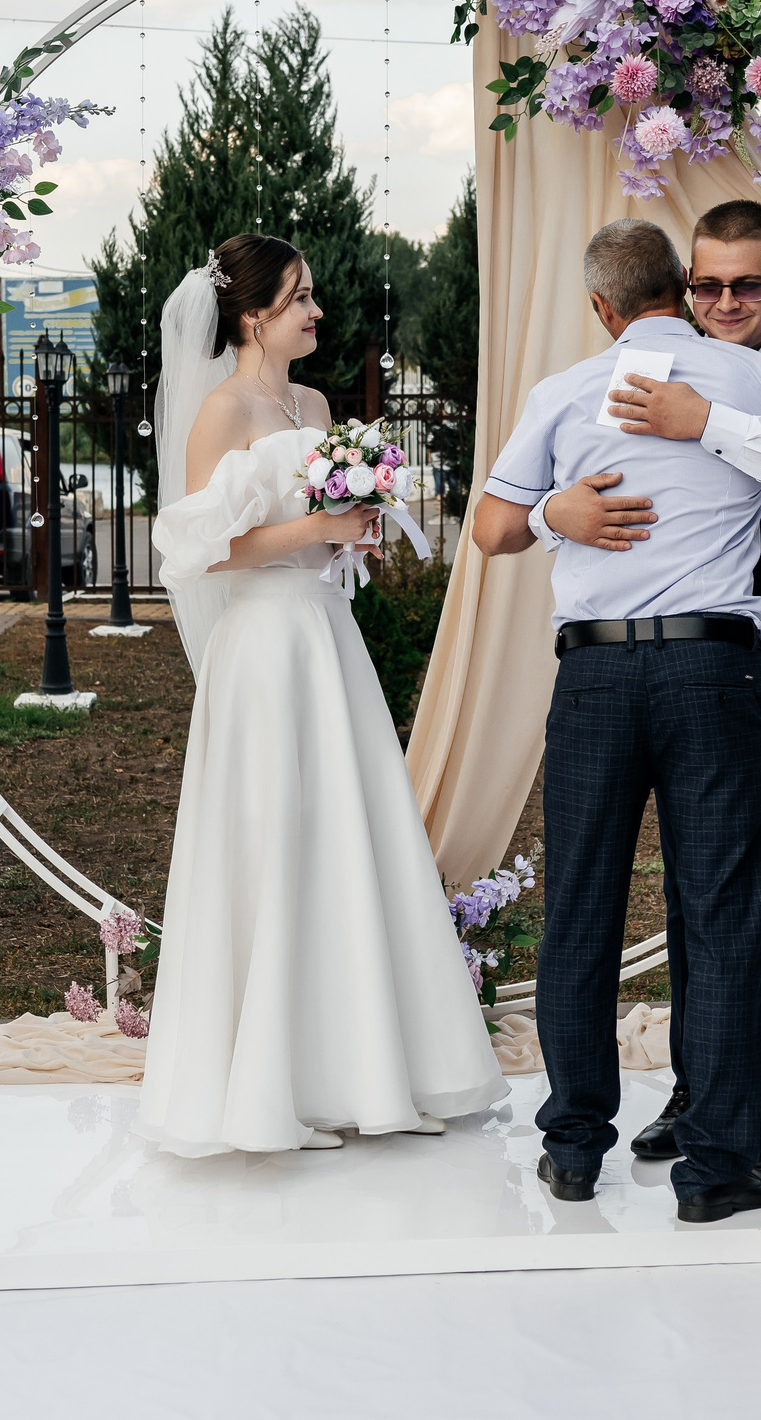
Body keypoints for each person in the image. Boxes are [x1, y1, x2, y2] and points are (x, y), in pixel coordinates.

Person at [468, 218, 761, 1223]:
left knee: (581, 908)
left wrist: (554, 512)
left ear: (601, 308)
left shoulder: (564, 391)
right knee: (724, 911)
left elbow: (490, 528)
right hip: (713, 670)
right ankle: (718, 1166)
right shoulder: (759, 380)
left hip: (593, 674)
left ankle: (572, 1146)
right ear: (684, 289)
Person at [139, 234, 506, 1157]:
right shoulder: (221, 411)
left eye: (311, 295)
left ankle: (365, 1076)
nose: (316, 311)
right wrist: (315, 527)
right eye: (300, 297)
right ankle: (273, 1093)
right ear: (252, 315)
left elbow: (317, 532)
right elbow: (198, 551)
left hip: (325, 635)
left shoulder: (312, 405)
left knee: (347, 833)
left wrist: (349, 535)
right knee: (274, 838)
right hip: (263, 645)